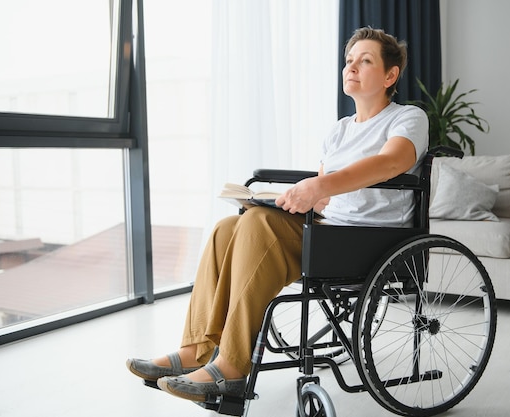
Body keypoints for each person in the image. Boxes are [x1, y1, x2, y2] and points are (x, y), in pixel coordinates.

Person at [126, 26, 429, 402]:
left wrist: (319, 187)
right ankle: (195, 350)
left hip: (371, 239)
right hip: (328, 229)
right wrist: (281, 199)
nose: (351, 67)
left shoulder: (407, 118)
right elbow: (322, 200)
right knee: (227, 228)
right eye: (349, 61)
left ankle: (233, 367)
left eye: (365, 61)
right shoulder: (339, 131)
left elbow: (391, 162)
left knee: (256, 224)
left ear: (389, 75)